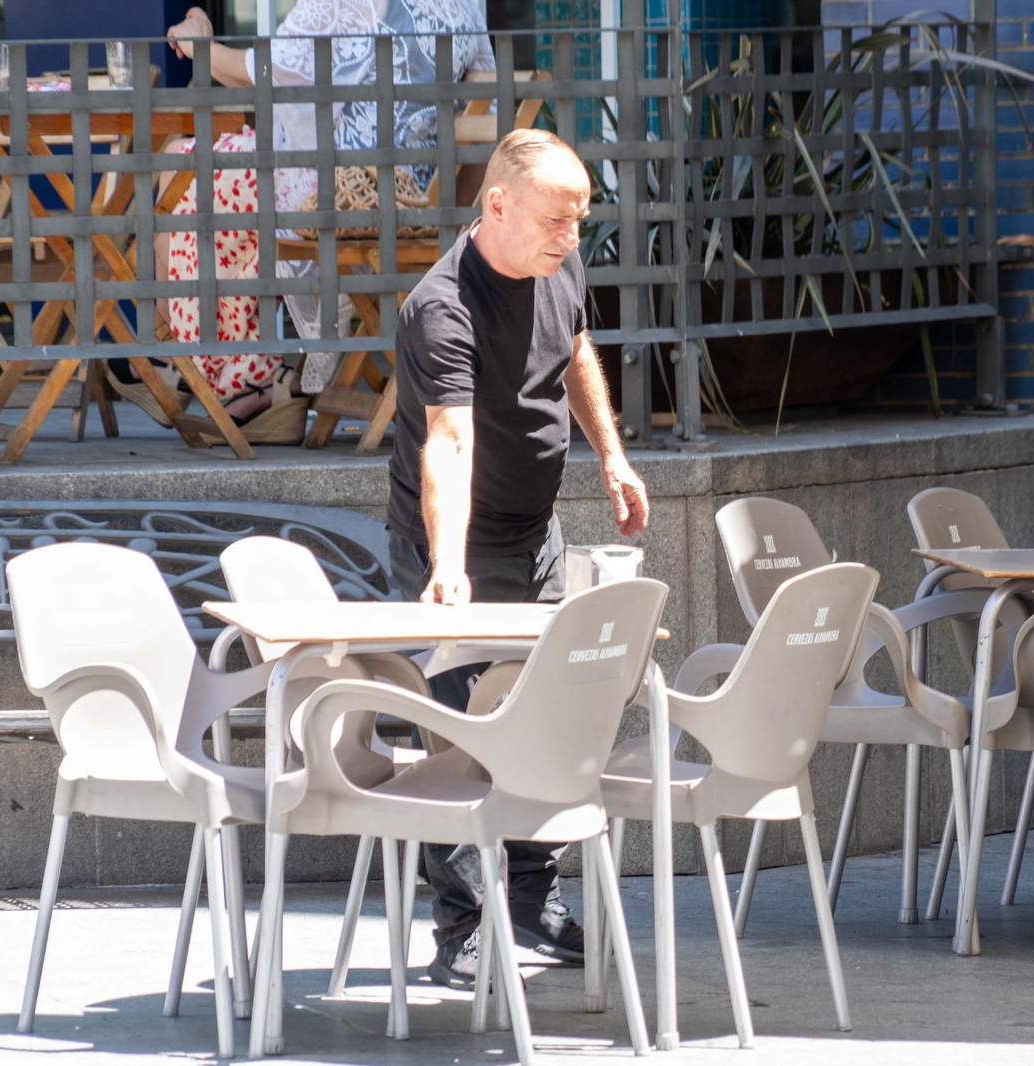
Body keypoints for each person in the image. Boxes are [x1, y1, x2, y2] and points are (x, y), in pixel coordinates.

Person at [387, 127, 650, 988]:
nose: (571, 239)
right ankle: (462, 929)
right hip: (450, 545)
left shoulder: (555, 260)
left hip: (539, 535)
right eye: (556, 219)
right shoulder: (441, 307)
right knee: (458, 737)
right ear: (497, 203)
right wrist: (448, 563)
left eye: (580, 221)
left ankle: (535, 897)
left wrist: (610, 455)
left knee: (549, 719)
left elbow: (575, 350)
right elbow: (449, 442)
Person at [110, 0, 494, 440]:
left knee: (186, 171)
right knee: (208, 180)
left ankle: (202, 366)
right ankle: (243, 378)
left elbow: (268, 74)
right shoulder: (465, 5)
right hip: (410, 199)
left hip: (339, 195)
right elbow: (486, 114)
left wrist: (200, 45)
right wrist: (454, 230)